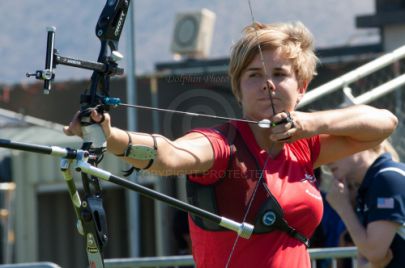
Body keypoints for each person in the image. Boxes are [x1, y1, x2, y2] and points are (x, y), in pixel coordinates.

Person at [64, 21, 398, 268]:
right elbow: (170, 154)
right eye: (254, 75)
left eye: (280, 74)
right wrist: (110, 136)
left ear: (302, 87)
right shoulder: (223, 144)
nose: (267, 84)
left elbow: (383, 124)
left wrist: (309, 123)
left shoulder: (304, 146)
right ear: (238, 89)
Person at [326, 141, 405, 268]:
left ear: (360, 144)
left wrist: (344, 208)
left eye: (334, 148)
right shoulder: (373, 183)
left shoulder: (387, 178)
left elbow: (374, 253)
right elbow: (366, 259)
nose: (326, 160)